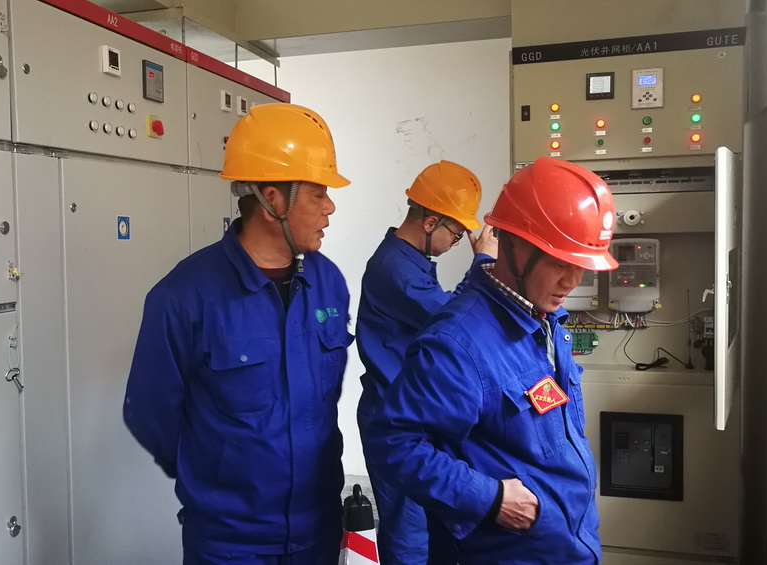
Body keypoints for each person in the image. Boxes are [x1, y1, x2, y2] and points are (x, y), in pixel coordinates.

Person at [123, 103, 354, 565]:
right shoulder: (185, 296)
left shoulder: (328, 282)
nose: (330, 207)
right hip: (230, 543)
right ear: (273, 200)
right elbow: (149, 413)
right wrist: (214, 482)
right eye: (318, 193)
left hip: (317, 529)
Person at [366, 156, 619, 564]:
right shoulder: (457, 341)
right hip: (505, 552)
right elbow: (394, 445)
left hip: (565, 547)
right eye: (559, 262)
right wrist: (490, 498)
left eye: (580, 267)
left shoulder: (546, 319)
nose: (572, 282)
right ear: (514, 245)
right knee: (408, 536)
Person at [355, 160, 497, 564]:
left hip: (415, 413)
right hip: (394, 419)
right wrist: (483, 265)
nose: (456, 241)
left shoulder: (411, 262)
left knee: (435, 526)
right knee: (409, 531)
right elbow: (455, 321)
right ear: (431, 221)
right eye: (456, 232)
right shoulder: (396, 269)